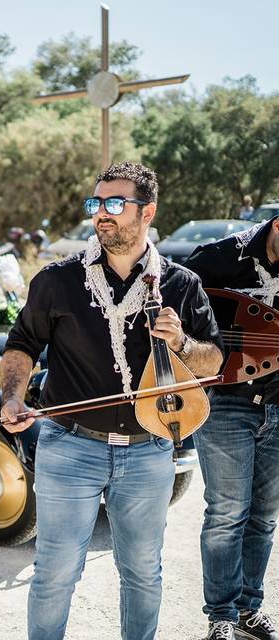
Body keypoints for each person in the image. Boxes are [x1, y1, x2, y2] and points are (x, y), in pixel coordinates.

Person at [0, 161, 224, 640]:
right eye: (96, 203)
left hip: (150, 449)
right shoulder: (57, 280)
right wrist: (14, 397)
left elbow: (213, 363)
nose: (101, 213)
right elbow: (22, 343)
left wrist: (182, 343)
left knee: (143, 573)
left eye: (115, 203)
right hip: (69, 447)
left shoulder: (181, 285)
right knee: (55, 572)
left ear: (147, 213)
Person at [183, 215, 279, 640]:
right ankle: (220, 616)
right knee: (226, 514)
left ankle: (247, 610)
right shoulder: (221, 258)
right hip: (225, 402)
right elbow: (174, 308)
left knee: (264, 517)